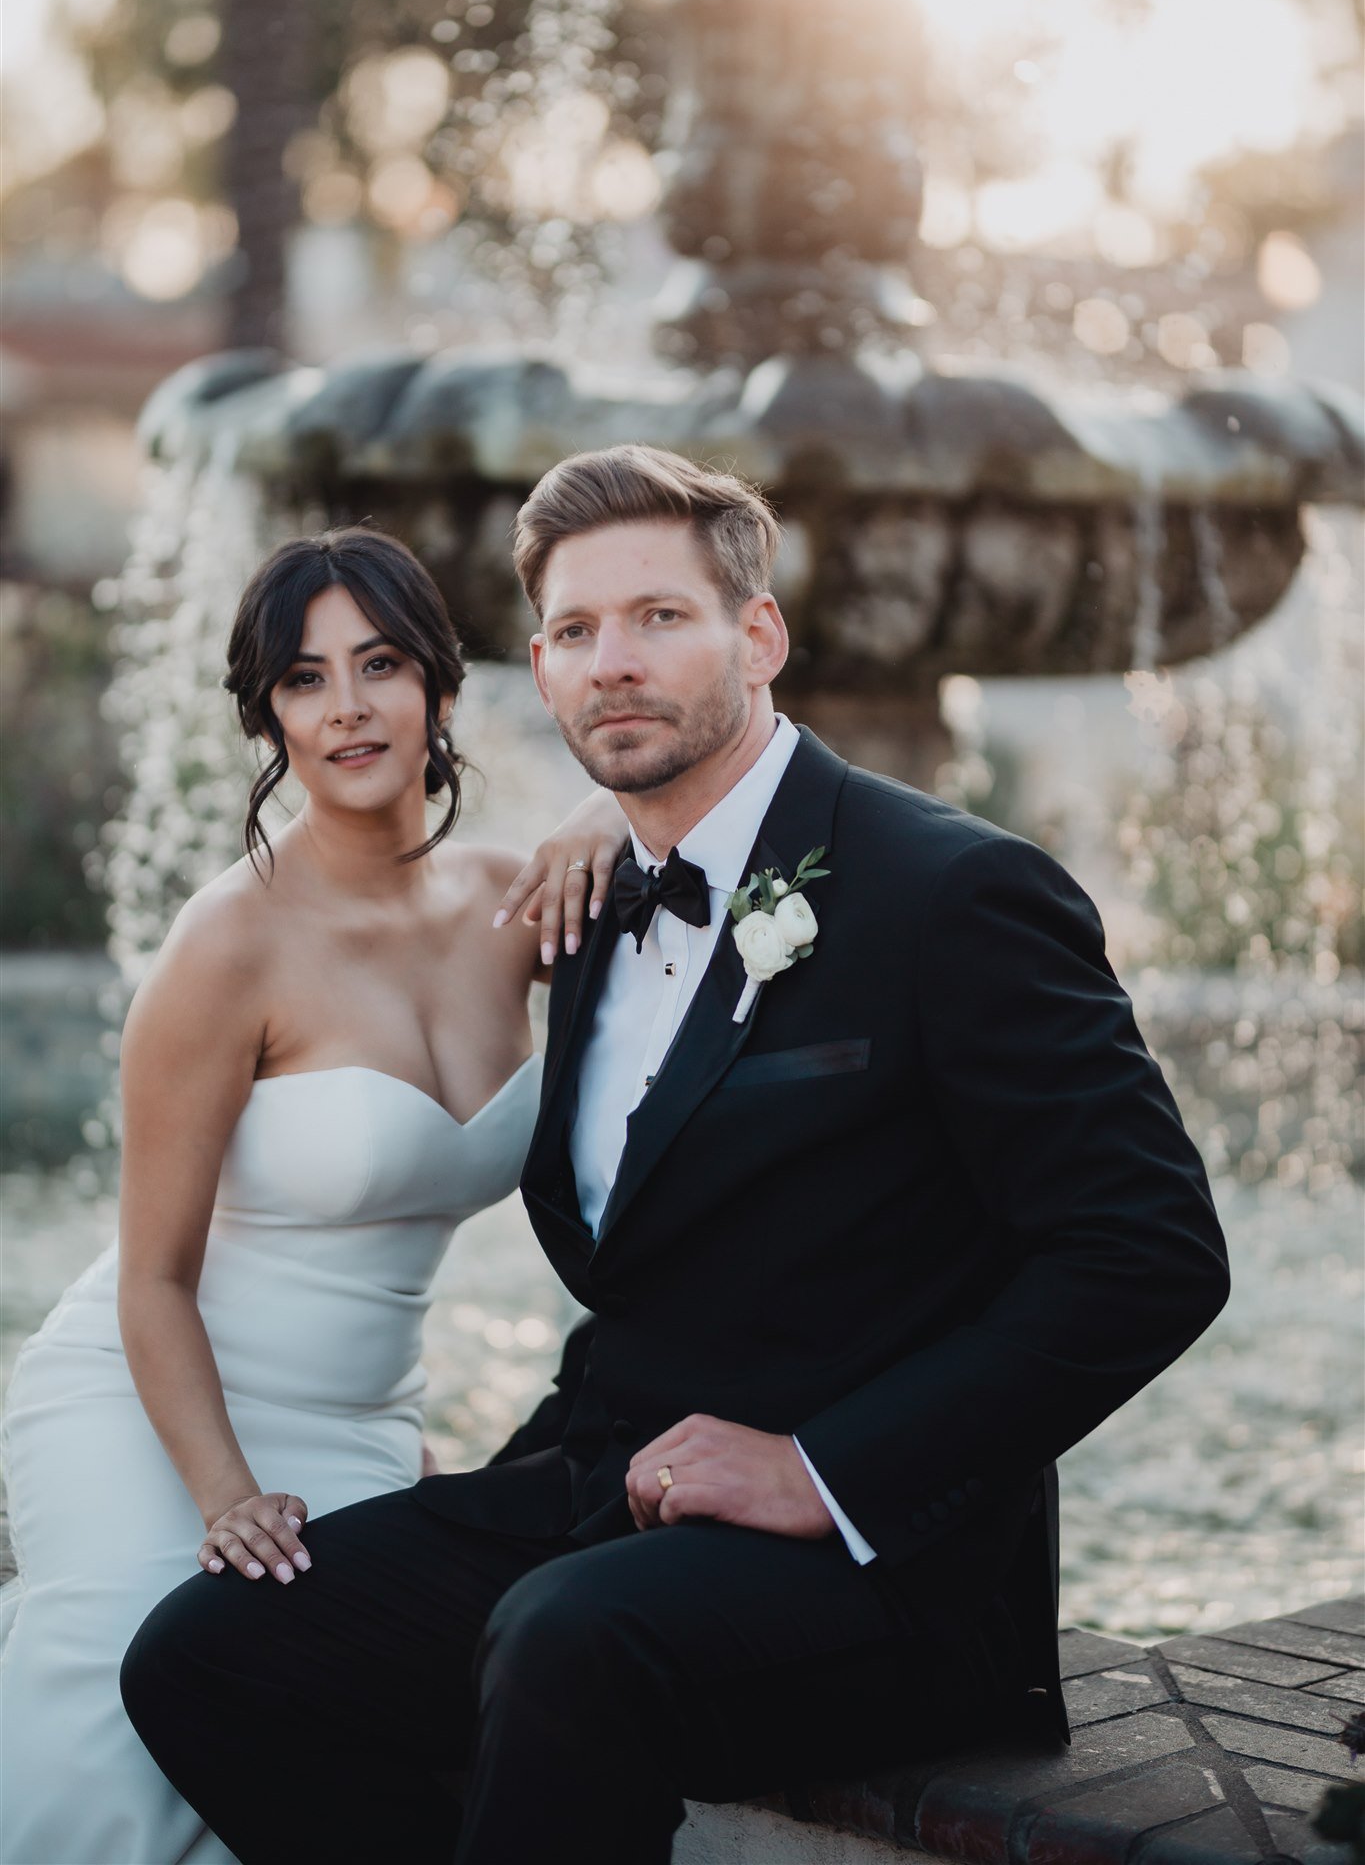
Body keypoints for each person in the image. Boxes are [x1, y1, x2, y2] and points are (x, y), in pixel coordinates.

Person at [121, 445, 1231, 1865]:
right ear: (537, 664)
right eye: (577, 633)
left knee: (567, 1642)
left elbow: (1148, 1256)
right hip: (600, 1491)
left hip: (878, 1561)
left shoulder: (950, 892)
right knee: (209, 1655)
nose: (613, 664)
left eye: (658, 618)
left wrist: (821, 1470)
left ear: (755, 634)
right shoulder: (588, 902)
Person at [0, 525, 625, 1865]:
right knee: (128, 1731)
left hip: (355, 1430)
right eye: (302, 679)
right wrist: (227, 1496)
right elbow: (152, 1276)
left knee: (313, 1734)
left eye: (380, 664)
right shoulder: (227, 945)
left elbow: (697, 829)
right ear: (268, 717)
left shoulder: (514, 903)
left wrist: (603, 813)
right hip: (157, 1401)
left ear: (440, 691)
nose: (345, 706)